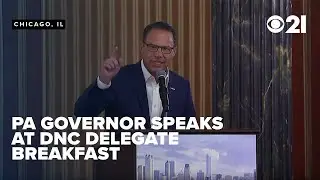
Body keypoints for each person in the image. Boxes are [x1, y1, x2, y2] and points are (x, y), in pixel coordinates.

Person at [74, 21, 196, 129]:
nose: (159, 54)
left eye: (165, 49)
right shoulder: (119, 79)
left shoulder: (181, 86)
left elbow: (191, 131)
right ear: (142, 47)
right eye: (153, 47)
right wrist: (104, 82)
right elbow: (83, 114)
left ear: (173, 52)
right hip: (125, 154)